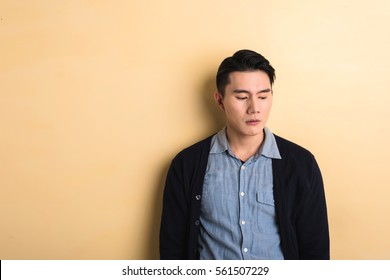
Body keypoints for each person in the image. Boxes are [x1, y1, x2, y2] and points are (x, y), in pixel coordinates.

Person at [159, 49, 330, 260]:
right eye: (242, 97)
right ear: (220, 101)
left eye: (263, 96)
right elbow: (172, 246)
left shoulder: (301, 164)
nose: (255, 108)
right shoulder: (187, 164)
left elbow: (315, 247)